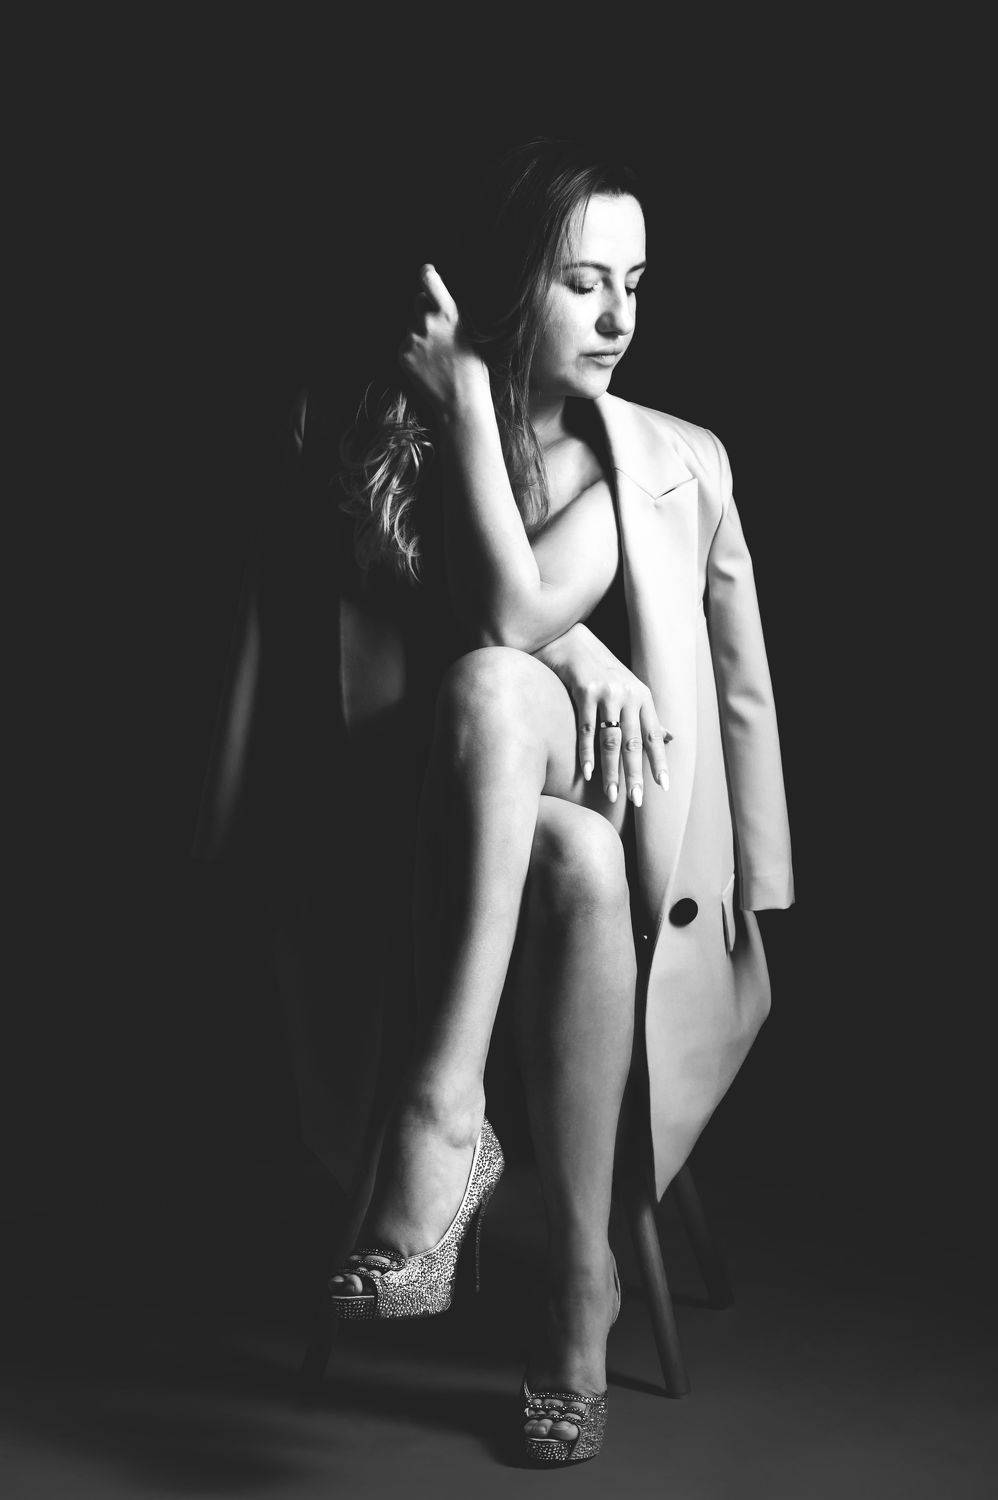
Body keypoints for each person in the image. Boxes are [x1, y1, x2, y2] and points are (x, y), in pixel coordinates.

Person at [194, 138, 794, 1467]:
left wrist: (755, 893)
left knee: (493, 687)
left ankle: (442, 1114)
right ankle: (581, 1284)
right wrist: (569, 648)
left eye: (636, 283)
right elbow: (286, 637)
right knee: (563, 850)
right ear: (514, 282)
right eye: (585, 282)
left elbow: (523, 619)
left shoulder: (657, 462)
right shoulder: (354, 422)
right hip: (409, 839)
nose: (620, 316)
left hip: (617, 806)